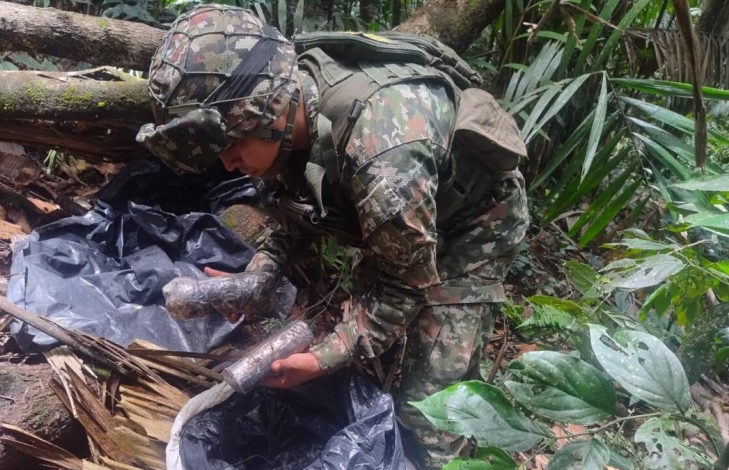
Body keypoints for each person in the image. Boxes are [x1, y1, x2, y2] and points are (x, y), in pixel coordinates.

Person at [137, 5, 529, 468]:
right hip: (407, 210)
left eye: (232, 146)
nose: (227, 164)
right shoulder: (288, 108)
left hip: (475, 225)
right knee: (374, 355)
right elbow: (291, 214)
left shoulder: (382, 153)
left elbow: (404, 285)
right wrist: (257, 278)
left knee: (430, 410)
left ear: (268, 111)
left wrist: (323, 357)